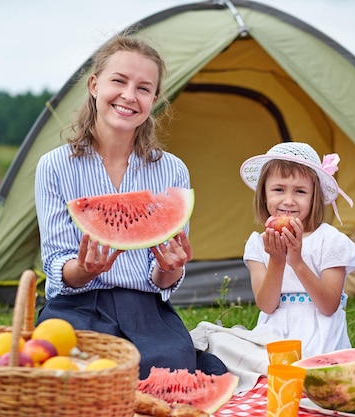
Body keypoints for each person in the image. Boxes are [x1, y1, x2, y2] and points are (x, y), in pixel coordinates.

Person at [34, 32, 227, 379]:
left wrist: (171, 268)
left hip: (145, 308)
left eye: (143, 88)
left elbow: (163, 279)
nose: (128, 96)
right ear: (94, 85)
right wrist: (85, 269)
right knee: (75, 368)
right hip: (77, 306)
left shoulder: (172, 170)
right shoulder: (54, 165)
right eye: (118, 81)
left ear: (154, 98)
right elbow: (56, 264)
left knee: (171, 366)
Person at [239, 142, 355, 357]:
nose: (288, 200)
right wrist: (277, 260)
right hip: (274, 333)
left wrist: (297, 262)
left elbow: (329, 306)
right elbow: (266, 305)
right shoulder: (258, 244)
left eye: (300, 191)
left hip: (321, 335)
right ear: (264, 194)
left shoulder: (330, 240)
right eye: (278, 189)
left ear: (314, 197)